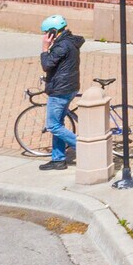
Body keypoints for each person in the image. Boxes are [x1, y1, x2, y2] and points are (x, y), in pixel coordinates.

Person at [38, 15, 82, 171]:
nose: (44, 36)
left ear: (53, 31)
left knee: (53, 125)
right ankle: (58, 159)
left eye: (45, 32)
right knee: (58, 123)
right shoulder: (69, 42)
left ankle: (85, 148)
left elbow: (47, 64)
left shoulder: (61, 46)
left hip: (60, 90)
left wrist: (45, 49)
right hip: (68, 87)